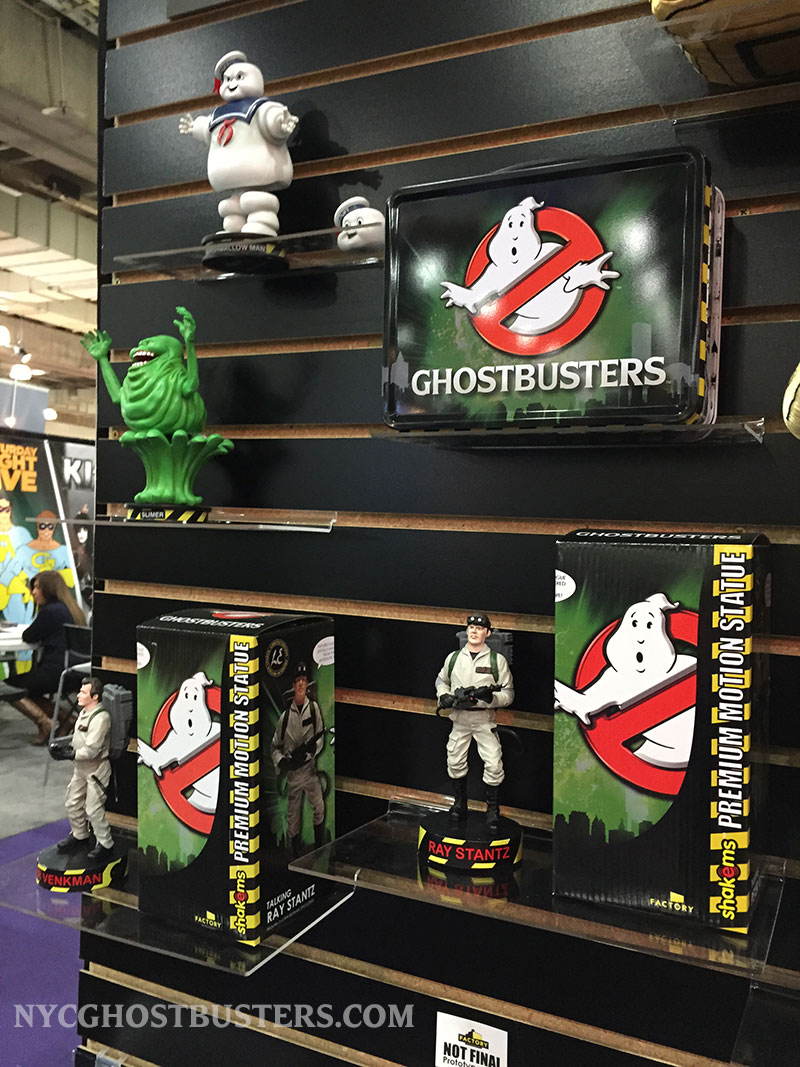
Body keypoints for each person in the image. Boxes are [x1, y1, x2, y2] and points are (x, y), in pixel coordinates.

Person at [435, 613, 514, 832]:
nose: (474, 631)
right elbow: (441, 680)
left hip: (483, 719)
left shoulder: (496, 661)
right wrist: (444, 696)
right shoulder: (454, 658)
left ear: (487, 633)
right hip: (459, 718)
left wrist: (491, 698)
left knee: (494, 763)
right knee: (455, 760)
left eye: (479, 629)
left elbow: (508, 694)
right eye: (471, 627)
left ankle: (492, 811)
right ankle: (459, 804)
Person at [5, 570, 86, 744]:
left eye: (37, 588)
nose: (33, 592)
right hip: (75, 672)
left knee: (9, 686)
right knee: (28, 689)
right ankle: (67, 719)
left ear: (48, 589)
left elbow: (29, 636)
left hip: (56, 672)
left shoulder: (50, 612)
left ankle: (45, 723)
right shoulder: (71, 609)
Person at [56, 676, 115, 863]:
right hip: (80, 768)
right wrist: (65, 749)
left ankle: (105, 844)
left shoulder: (101, 718)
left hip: (96, 769)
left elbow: (92, 750)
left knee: (93, 808)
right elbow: (79, 739)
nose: (78, 695)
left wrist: (71, 754)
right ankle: (80, 835)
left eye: (83, 692)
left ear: (95, 696)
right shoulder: (84, 713)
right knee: (72, 802)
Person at [270, 661, 325, 856]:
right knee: (293, 817)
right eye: (298, 681)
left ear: (307, 683)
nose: (301, 684)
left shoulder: (314, 709)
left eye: (304, 680)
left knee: (319, 806)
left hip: (309, 770)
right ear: (293, 685)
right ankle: (295, 853)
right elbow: (274, 746)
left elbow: (320, 736)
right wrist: (283, 761)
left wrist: (311, 752)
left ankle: (319, 848)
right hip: (293, 774)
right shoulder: (285, 717)